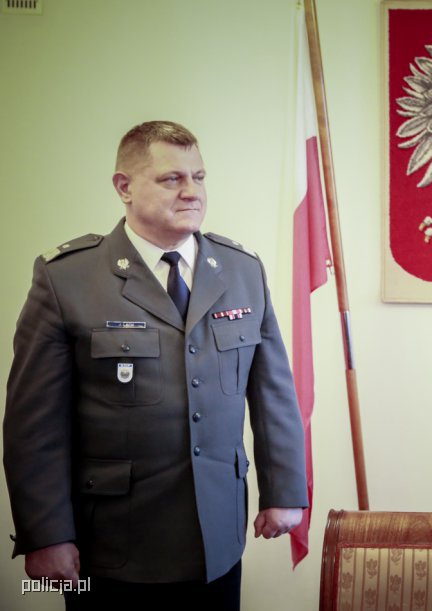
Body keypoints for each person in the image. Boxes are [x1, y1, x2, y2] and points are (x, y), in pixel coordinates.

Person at [3, 121, 308, 610]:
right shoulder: (68, 279)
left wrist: (285, 489)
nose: (192, 191)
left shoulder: (241, 270)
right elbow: (33, 425)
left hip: (216, 539)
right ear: (124, 186)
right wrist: (45, 534)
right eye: (172, 179)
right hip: (112, 546)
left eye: (199, 177)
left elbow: (273, 393)